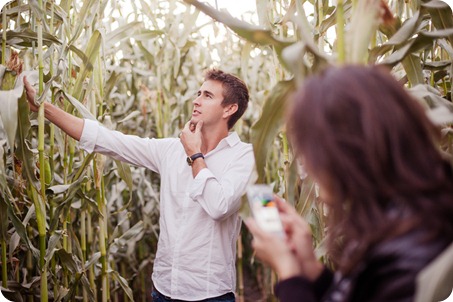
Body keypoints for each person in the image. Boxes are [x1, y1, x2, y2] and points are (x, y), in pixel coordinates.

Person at [24, 69, 256, 302]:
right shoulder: (170, 150)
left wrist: (195, 154)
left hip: (209, 294)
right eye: (198, 93)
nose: (195, 100)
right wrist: (45, 108)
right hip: (163, 289)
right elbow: (107, 140)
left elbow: (218, 206)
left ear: (229, 109)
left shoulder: (244, 157)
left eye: (207, 96)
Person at [246, 65, 453, 302]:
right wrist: (313, 271)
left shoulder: (415, 263)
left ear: (342, 155)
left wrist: (290, 276)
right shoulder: (405, 225)